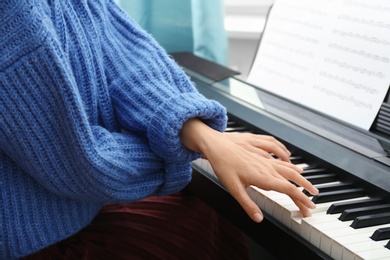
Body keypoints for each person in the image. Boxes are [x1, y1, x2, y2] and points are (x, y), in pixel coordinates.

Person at [0, 1, 318, 259]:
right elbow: (79, 162)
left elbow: (124, 58)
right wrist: (191, 152)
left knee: (205, 211)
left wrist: (199, 132)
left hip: (79, 208)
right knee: (199, 224)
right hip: (33, 240)